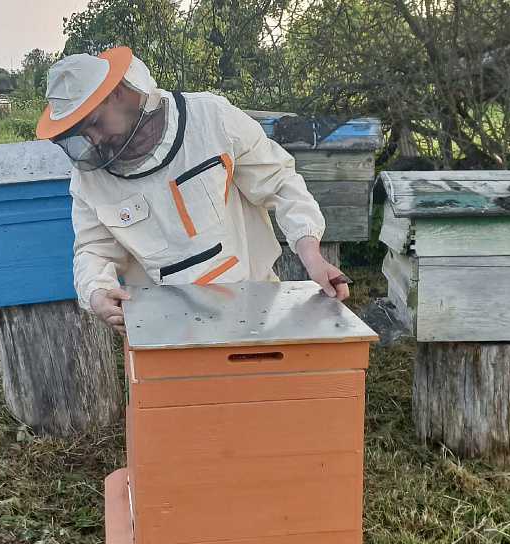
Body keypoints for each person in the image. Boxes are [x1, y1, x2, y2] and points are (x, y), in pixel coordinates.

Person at [36, 46, 350, 333]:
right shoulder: (90, 180)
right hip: (165, 326)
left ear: (117, 92)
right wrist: (96, 292)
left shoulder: (211, 118)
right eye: (82, 132)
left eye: (94, 122)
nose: (94, 139)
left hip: (255, 306)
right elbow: (93, 248)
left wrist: (312, 255)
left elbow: (280, 182)